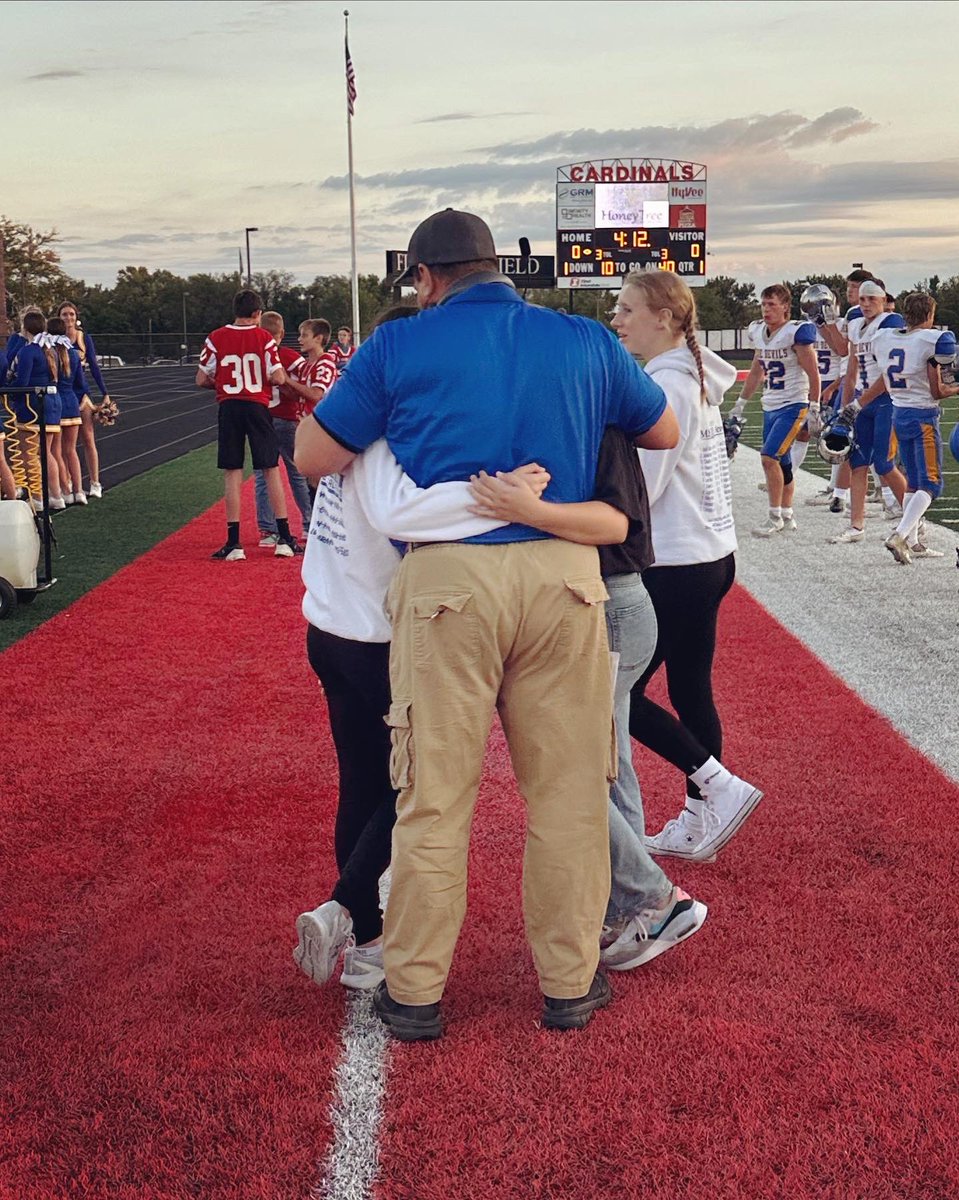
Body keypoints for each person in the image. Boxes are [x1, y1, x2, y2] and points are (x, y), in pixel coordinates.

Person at [295, 208, 679, 1040]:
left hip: (445, 582)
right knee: (570, 797)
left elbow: (314, 457)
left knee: (433, 799)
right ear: (498, 264)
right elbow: (662, 429)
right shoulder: (582, 341)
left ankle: (418, 991)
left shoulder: (398, 345)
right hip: (565, 574)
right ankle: (567, 982)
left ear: (426, 278)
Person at [605, 271, 763, 860]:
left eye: (627, 309)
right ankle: (703, 816)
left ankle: (718, 789)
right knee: (690, 688)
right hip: (706, 554)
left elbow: (639, 491)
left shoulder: (667, 386)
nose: (617, 319)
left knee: (617, 694)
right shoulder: (688, 375)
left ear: (666, 318)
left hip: (674, 561)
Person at [195, 289, 300, 560]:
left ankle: (234, 542)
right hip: (258, 406)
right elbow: (277, 377)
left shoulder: (216, 337)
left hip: (229, 407)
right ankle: (284, 538)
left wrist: (224, 384)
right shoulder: (264, 337)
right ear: (257, 313)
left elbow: (201, 378)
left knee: (232, 472)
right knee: (270, 469)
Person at [860, 292, 957, 563]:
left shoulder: (884, 337)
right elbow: (938, 385)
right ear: (930, 315)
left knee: (913, 481)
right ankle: (900, 534)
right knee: (931, 484)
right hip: (922, 415)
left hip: (899, 413)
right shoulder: (932, 340)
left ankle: (912, 542)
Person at [730, 284, 820, 537]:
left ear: (785, 307)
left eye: (772, 304)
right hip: (770, 403)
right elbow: (757, 370)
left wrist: (814, 406)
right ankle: (788, 514)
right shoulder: (758, 331)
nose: (766, 309)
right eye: (763, 304)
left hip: (794, 403)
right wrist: (741, 403)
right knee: (784, 461)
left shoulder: (795, 332)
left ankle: (774, 517)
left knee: (769, 457)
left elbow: (814, 373)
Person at [828, 280, 907, 546]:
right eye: (862, 299)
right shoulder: (854, 324)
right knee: (857, 462)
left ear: (883, 301)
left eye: (872, 299)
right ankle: (856, 525)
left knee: (884, 464)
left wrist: (858, 404)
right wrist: (845, 406)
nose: (866, 304)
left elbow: (887, 375)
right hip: (862, 402)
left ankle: (913, 521)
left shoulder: (889, 323)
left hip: (885, 401)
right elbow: (851, 370)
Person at [807, 269, 872, 512]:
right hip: (853, 379)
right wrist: (823, 323)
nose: (849, 292)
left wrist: (828, 322)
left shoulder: (858, 313)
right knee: (846, 437)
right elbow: (840, 347)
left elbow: (844, 349)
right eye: (849, 288)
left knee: (856, 441)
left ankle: (847, 494)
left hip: (859, 381)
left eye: (854, 288)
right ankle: (839, 492)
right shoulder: (853, 315)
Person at [252, 311, 311, 546]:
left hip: (261, 419)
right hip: (286, 418)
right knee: (297, 472)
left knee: (262, 475)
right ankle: (308, 522)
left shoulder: (255, 356)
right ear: (282, 333)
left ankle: (268, 529)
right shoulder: (289, 356)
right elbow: (305, 381)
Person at [9, 311, 65, 510]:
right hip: (53, 403)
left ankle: (38, 498)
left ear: (25, 329)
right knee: (46, 453)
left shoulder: (28, 351)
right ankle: (56, 495)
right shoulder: (51, 350)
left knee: (28, 453)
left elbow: (22, 382)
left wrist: (8, 390)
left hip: (32, 406)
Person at [58, 300, 111, 498]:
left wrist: (104, 392)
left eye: (71, 314)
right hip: (63, 394)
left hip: (81, 394)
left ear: (76, 317)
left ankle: (95, 482)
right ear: (59, 317)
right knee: (65, 444)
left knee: (88, 438)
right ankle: (70, 482)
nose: (68, 318)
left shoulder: (83, 338)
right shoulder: (54, 339)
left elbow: (94, 367)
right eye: (64, 314)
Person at [46, 317, 88, 506]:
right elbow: (81, 383)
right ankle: (79, 491)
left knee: (55, 452)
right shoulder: (73, 354)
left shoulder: (49, 352)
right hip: (72, 403)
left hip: (56, 406)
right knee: (71, 451)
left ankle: (65, 490)